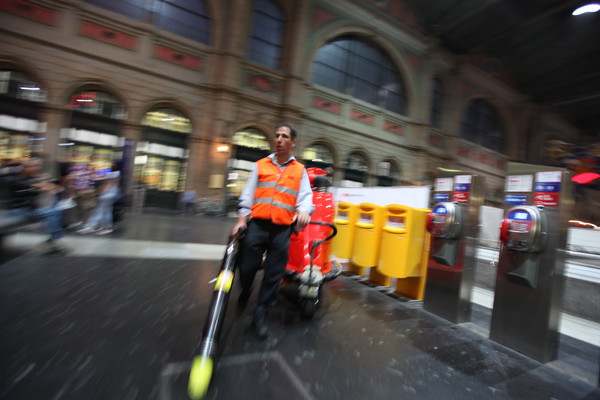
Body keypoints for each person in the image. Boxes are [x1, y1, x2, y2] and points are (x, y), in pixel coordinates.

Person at [231, 123, 313, 340]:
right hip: (257, 226)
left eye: (284, 136)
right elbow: (247, 196)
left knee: (273, 275)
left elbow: (305, 198)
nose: (278, 139)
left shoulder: (299, 170)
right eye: (276, 135)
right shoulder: (260, 165)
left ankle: (260, 314)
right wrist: (241, 220)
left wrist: (304, 212)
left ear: (293, 142)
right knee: (247, 266)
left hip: (282, 230)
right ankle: (246, 288)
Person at [7, 157, 68, 254]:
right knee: (50, 212)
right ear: (25, 167)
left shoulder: (35, 177)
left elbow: (58, 188)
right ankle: (54, 241)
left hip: (30, 209)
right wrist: (44, 184)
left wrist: (46, 183)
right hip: (17, 209)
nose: (35, 168)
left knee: (55, 210)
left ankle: (52, 241)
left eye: (38, 166)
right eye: (31, 166)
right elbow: (37, 186)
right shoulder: (17, 177)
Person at [77, 160, 121, 235]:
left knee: (100, 211)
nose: (111, 164)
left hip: (107, 195)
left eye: (113, 163)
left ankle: (93, 226)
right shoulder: (117, 173)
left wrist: (99, 192)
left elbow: (107, 184)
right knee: (104, 211)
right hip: (111, 194)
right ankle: (102, 227)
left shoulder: (113, 174)